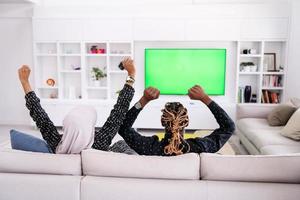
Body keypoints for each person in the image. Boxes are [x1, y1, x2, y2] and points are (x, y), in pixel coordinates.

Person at [18, 57, 137, 154]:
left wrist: (25, 82)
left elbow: (40, 117)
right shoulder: (99, 143)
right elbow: (119, 111)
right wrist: (131, 74)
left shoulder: (58, 145)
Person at [118, 85, 235, 156]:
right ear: (186, 122)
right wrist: (205, 98)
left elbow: (123, 127)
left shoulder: (148, 147)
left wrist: (143, 100)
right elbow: (228, 127)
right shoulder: (201, 148)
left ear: (162, 121)